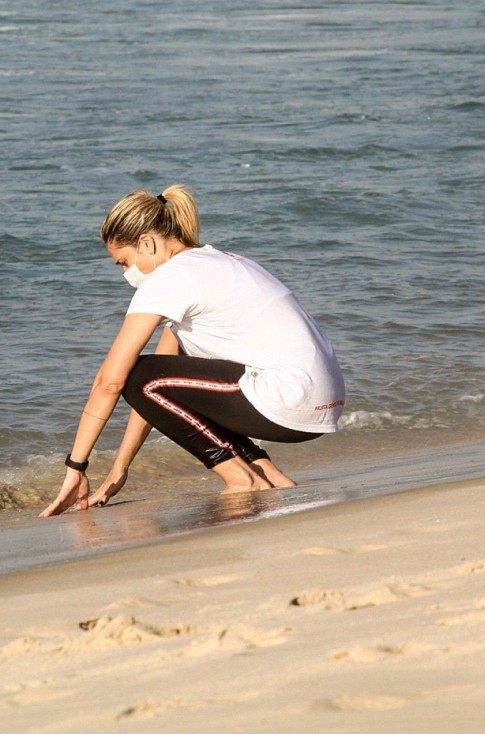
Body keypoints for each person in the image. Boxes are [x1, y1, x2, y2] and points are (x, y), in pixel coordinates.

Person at [39, 185, 345, 517]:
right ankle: (266, 474)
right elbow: (162, 392)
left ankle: (240, 479)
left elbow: (111, 381)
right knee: (151, 376)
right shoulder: (218, 261)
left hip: (290, 399)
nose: (126, 274)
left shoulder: (170, 278)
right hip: (317, 399)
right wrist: (119, 468)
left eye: (123, 262)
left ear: (147, 243)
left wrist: (76, 466)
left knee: (136, 373)